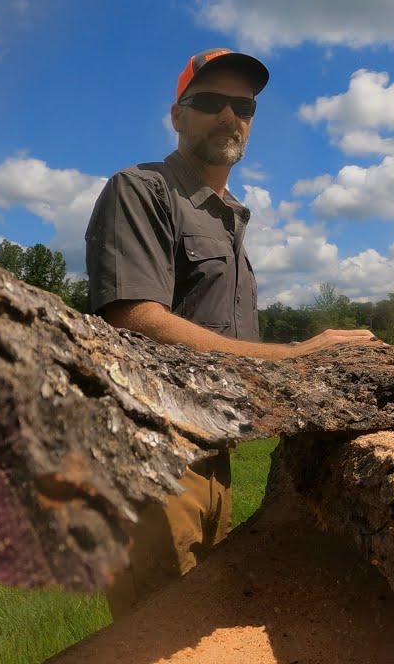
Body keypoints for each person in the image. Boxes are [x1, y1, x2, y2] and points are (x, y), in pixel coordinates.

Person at [84, 47, 378, 617]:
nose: (230, 116)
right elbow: (134, 316)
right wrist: (292, 356)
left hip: (211, 452)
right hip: (153, 455)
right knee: (162, 631)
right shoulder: (142, 189)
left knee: (209, 619)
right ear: (177, 116)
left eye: (242, 106)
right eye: (211, 102)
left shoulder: (232, 214)